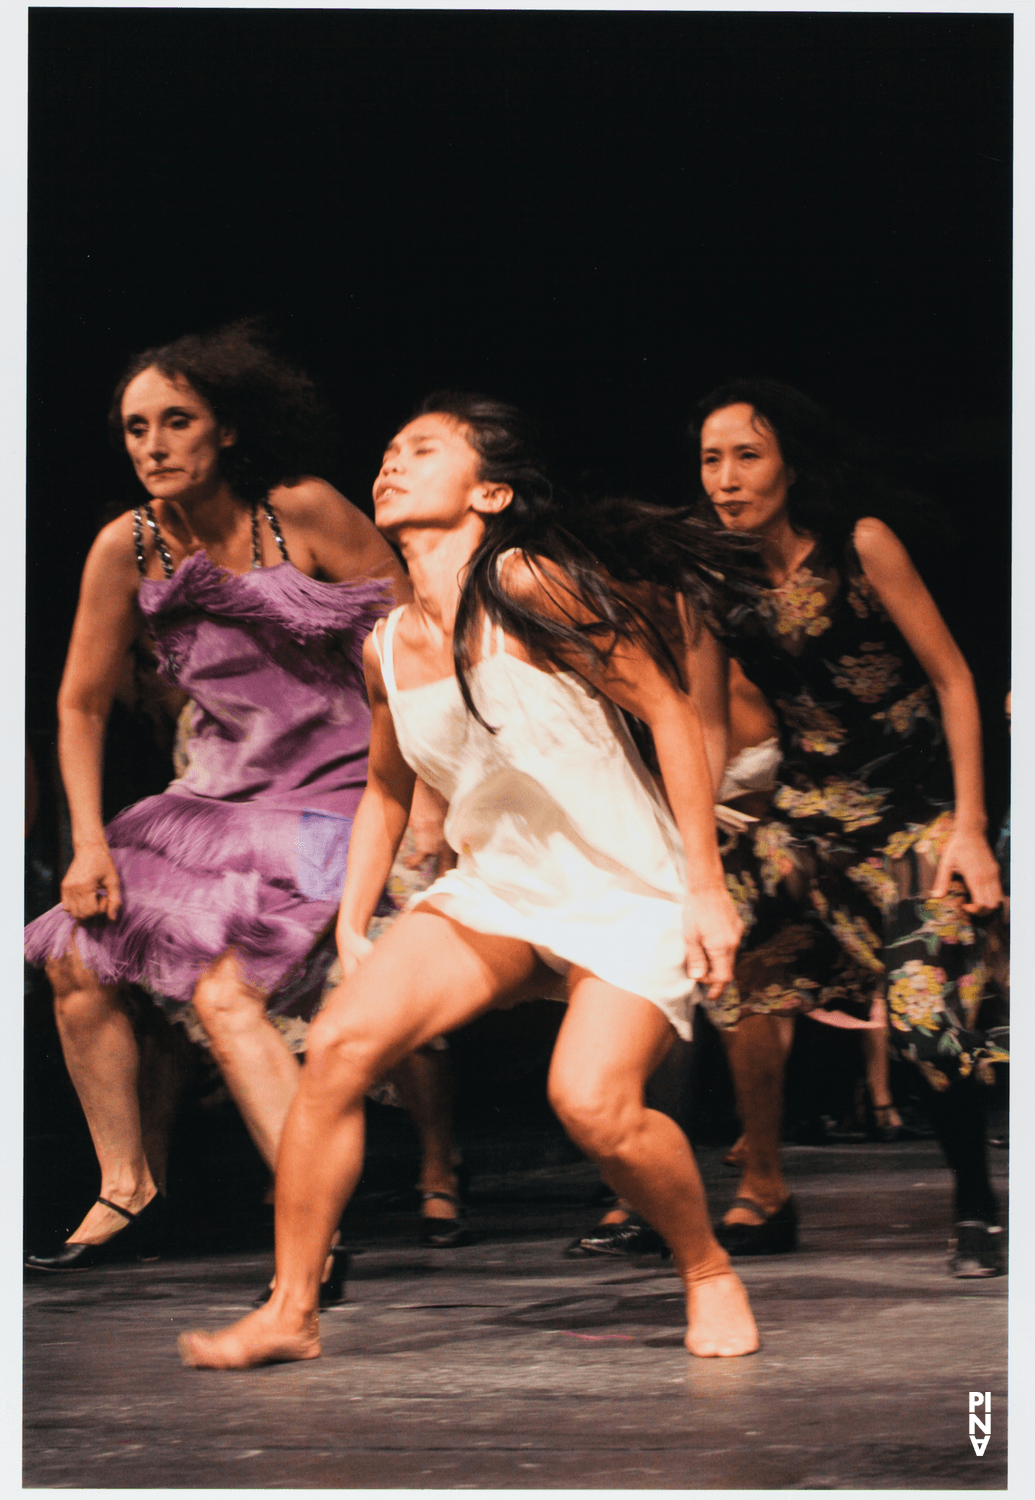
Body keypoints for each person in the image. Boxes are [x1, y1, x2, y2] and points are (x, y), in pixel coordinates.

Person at [178, 391, 761, 1368]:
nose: (393, 462)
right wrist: (355, 916)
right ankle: (291, 1309)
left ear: (489, 492)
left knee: (591, 1105)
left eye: (424, 449)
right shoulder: (384, 644)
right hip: (497, 888)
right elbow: (384, 790)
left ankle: (705, 1266)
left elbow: (666, 711)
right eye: (390, 448)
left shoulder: (529, 582)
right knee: (339, 1044)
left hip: (624, 885)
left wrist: (705, 885)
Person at [23, 321, 430, 1274]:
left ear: (228, 431)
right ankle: (129, 1187)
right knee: (76, 963)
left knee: (223, 991)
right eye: (135, 429)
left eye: (176, 422)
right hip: (212, 801)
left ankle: (310, 1226)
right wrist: (87, 843)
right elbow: (79, 704)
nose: (154, 446)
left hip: (336, 794)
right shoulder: (123, 548)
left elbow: (416, 635)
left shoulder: (303, 511)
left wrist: (433, 792)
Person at [686, 378, 1007, 1275]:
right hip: (803, 818)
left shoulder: (860, 546)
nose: (726, 477)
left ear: (790, 462)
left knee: (924, 1019)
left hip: (910, 819)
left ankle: (975, 1199)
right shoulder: (711, 580)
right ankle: (764, 1192)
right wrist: (693, 831)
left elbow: (953, 682)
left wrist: (970, 828)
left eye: (746, 455)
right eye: (711, 459)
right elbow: (708, 723)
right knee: (736, 967)